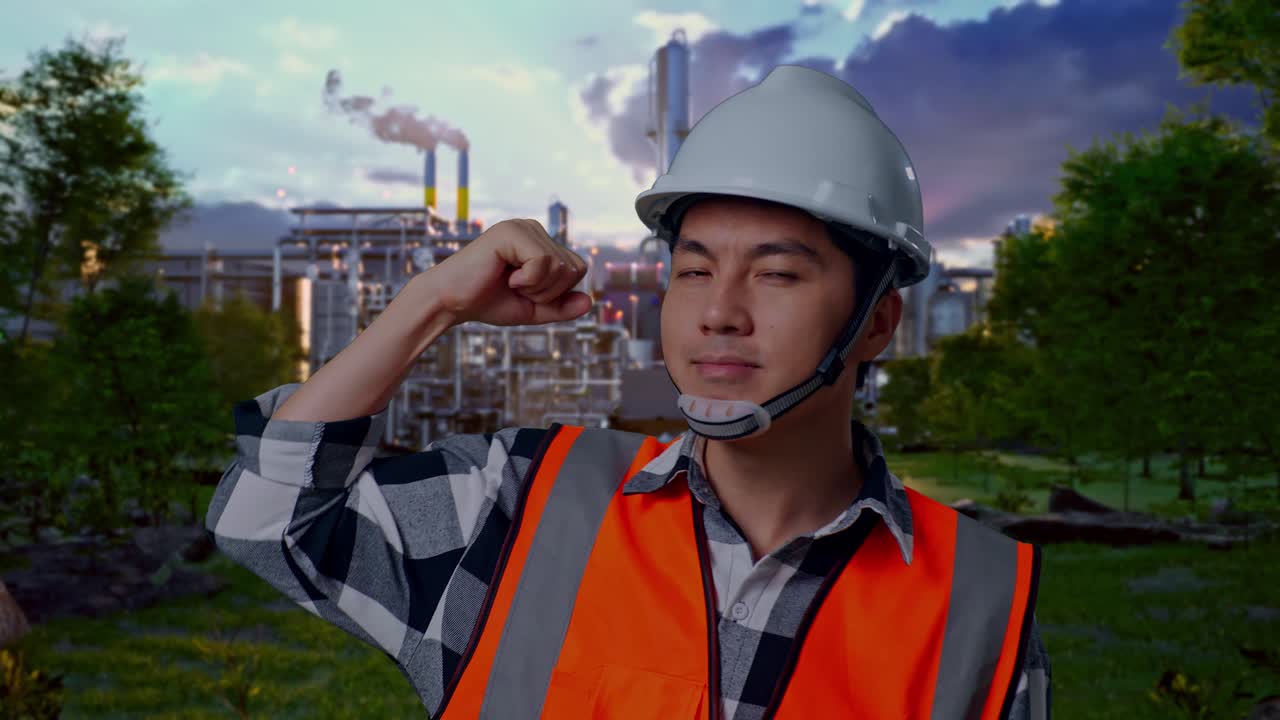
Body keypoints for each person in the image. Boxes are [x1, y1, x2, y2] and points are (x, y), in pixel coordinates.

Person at [206, 65, 1050, 719]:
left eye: (779, 274)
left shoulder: (979, 601)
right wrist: (432, 303)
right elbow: (265, 515)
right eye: (693, 271)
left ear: (877, 321)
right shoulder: (517, 503)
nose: (720, 313)